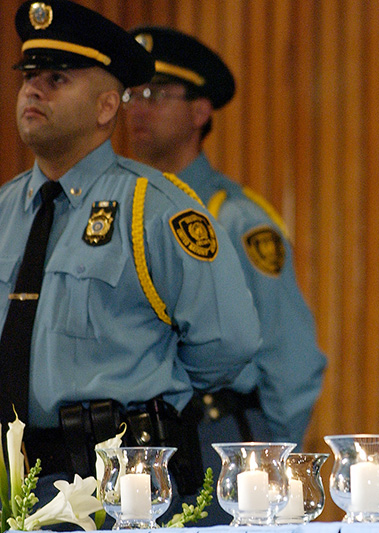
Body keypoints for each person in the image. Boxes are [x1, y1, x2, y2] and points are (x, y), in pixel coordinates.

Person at [1, 0, 262, 498]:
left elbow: (227, 344)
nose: (33, 88)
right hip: (10, 485)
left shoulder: (157, 209)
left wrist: (150, 391)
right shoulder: (5, 210)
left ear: (105, 107)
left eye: (57, 78)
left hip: (117, 485)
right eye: (29, 76)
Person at [122, 23, 326, 496]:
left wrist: (268, 464)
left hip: (215, 440)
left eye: (156, 92)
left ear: (199, 110)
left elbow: (291, 358)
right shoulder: (115, 216)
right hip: (127, 445)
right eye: (132, 94)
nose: (139, 107)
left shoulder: (236, 220)